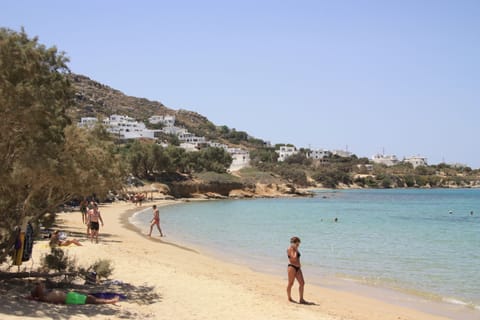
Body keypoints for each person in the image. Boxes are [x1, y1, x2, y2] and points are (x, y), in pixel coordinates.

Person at [30, 283, 119, 305]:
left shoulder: (45, 295)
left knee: (90, 298)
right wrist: (36, 287)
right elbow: (39, 286)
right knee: (91, 300)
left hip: (70, 296)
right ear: (38, 293)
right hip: (70, 299)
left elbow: (41, 286)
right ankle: (110, 301)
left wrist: (30, 295)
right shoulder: (43, 298)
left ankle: (109, 301)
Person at [286, 236, 307, 304]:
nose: (298, 245)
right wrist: (295, 249)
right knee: (291, 283)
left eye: (299, 244)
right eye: (297, 244)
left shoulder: (295, 249)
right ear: (293, 243)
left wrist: (296, 249)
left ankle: (301, 299)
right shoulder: (290, 249)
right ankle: (289, 297)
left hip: (298, 268)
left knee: (302, 283)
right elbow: (293, 258)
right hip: (292, 267)